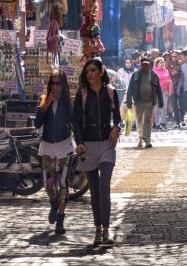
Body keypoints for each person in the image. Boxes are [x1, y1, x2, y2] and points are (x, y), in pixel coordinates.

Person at [73, 59, 122, 245]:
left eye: (93, 70)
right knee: (94, 190)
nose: (90, 74)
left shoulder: (110, 93)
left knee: (104, 185)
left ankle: (107, 230)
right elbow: (76, 122)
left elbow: (118, 115)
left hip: (106, 144)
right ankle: (98, 229)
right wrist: (79, 143)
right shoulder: (82, 94)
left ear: (101, 72)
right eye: (87, 72)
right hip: (88, 146)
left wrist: (117, 127)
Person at [33, 68, 75, 235]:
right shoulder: (44, 101)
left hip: (64, 146)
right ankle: (55, 202)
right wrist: (47, 104)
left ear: (63, 85)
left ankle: (61, 219)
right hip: (48, 146)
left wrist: (80, 142)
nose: (55, 87)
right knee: (48, 183)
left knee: (63, 183)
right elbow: (37, 124)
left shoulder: (68, 103)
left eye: (58, 83)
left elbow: (74, 123)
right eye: (53, 83)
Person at [126, 58, 164, 148]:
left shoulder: (154, 75)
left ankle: (147, 140)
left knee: (148, 120)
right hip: (138, 101)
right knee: (139, 120)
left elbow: (159, 90)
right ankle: (140, 138)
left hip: (149, 102)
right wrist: (129, 102)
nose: (145, 66)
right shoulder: (135, 75)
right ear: (141, 65)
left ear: (149, 65)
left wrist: (161, 103)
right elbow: (130, 88)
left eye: (147, 64)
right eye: (143, 64)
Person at [167, 55, 184, 128]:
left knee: (181, 103)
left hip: (180, 86)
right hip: (172, 87)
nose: (173, 58)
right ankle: (177, 122)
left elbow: (183, 76)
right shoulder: (168, 65)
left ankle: (182, 119)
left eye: (175, 56)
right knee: (174, 105)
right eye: (172, 56)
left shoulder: (181, 64)